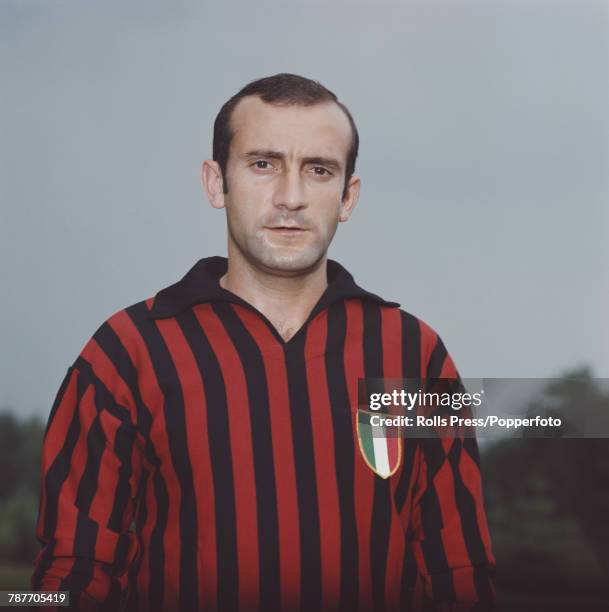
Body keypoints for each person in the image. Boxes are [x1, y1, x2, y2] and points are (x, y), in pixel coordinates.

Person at [31, 73, 496, 612]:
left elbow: (459, 569)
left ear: (348, 196)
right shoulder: (125, 353)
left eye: (318, 170)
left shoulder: (414, 353)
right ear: (215, 183)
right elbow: (74, 571)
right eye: (262, 164)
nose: (290, 198)